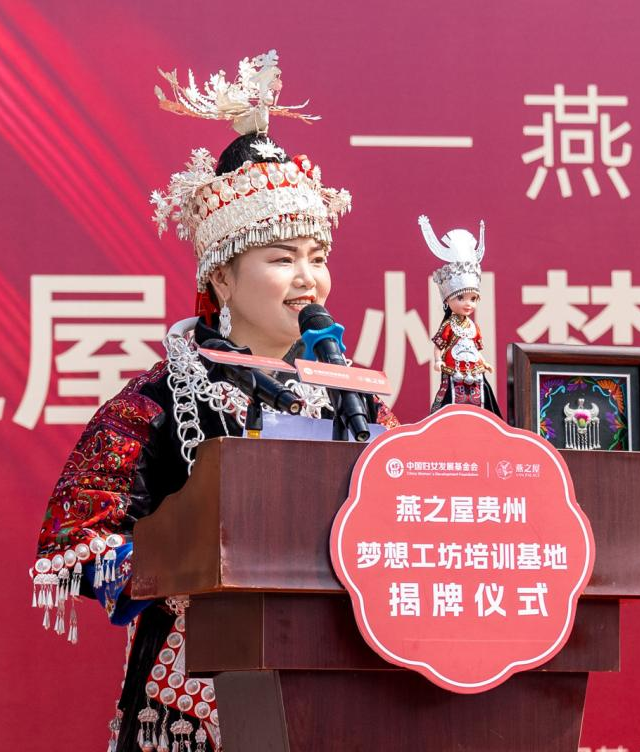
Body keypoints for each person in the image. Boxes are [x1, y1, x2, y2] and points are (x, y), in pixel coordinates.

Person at [29, 51, 395, 752]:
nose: (309, 280)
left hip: (334, 684)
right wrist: (190, 559)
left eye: (317, 257)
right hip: (193, 698)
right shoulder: (158, 399)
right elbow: (70, 544)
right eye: (282, 259)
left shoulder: (353, 399)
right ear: (222, 279)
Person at [419, 214, 502, 416]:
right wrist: (438, 361)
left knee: (481, 399)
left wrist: (484, 362)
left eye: (473, 299)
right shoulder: (449, 326)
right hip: (453, 370)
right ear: (448, 300)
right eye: (461, 298)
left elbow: (476, 348)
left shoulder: (473, 327)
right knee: (451, 401)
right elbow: (439, 346)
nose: (468, 304)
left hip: (474, 371)